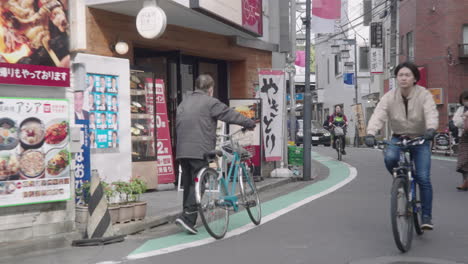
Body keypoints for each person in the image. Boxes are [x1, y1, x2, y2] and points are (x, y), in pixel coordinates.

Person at [175, 74, 256, 234]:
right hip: (200, 149)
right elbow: (229, 114)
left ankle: (187, 217)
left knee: (190, 183)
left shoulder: (184, 102)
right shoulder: (210, 102)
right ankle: (187, 217)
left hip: (182, 150)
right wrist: (249, 122)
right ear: (210, 89)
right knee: (200, 182)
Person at [365, 61, 438, 230]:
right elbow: (379, 115)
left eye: (407, 75)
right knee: (390, 157)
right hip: (398, 137)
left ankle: (426, 216)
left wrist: (431, 129)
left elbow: (431, 113)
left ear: (414, 79)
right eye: (400, 75)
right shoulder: (389, 96)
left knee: (423, 177)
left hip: (420, 139)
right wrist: (370, 133)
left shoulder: (424, 95)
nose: (403, 78)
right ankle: (400, 180)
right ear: (396, 78)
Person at [453, 90, 468, 190]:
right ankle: (465, 181)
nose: (466, 101)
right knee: (463, 160)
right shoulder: (460, 109)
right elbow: (456, 122)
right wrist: (464, 118)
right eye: (465, 99)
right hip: (464, 137)